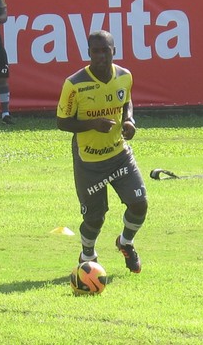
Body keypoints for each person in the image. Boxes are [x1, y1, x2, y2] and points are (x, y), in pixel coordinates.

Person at [56, 30, 148, 273]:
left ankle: (125, 243)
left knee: (139, 203)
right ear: (88, 54)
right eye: (95, 51)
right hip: (89, 162)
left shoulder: (124, 76)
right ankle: (87, 253)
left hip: (119, 155)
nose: (100, 56)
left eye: (105, 51)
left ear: (113, 51)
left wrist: (129, 120)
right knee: (95, 218)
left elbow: (126, 100)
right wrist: (92, 124)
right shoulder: (74, 84)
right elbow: (62, 122)